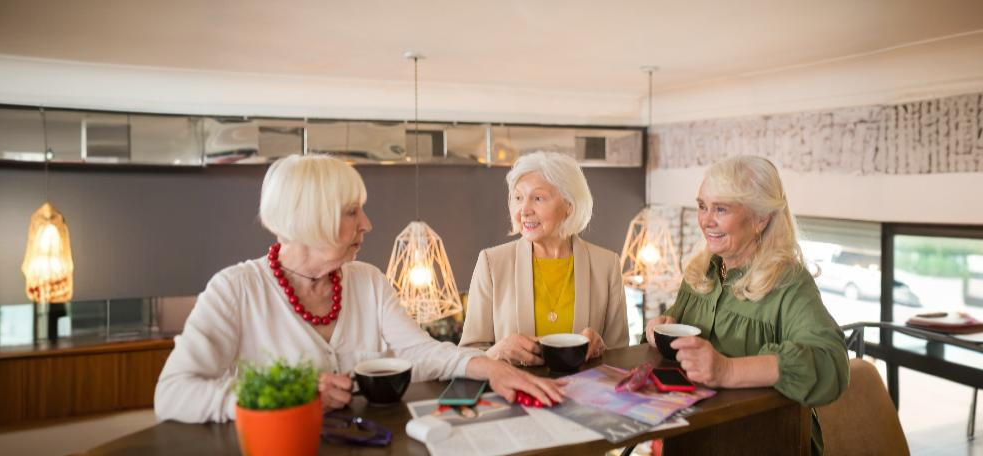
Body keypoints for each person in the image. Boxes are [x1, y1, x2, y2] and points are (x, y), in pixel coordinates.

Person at [155, 155, 562, 423]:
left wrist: (489, 366)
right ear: (308, 220)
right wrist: (285, 397)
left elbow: (417, 352)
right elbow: (173, 393)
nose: (367, 224)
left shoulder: (367, 280)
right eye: (352, 212)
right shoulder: (234, 290)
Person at [644, 155, 848, 455]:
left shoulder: (789, 283)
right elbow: (681, 357)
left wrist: (727, 371)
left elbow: (832, 365)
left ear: (761, 218)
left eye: (721, 209)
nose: (706, 220)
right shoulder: (700, 273)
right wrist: (657, 333)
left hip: (764, 443)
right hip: (692, 441)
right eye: (703, 206)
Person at [459, 152, 628, 366]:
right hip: (516, 395)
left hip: (584, 395)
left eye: (538, 198)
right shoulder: (491, 263)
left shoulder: (607, 265)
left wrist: (601, 348)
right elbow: (467, 355)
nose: (524, 211)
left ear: (569, 206)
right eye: (518, 198)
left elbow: (621, 356)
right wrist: (498, 352)